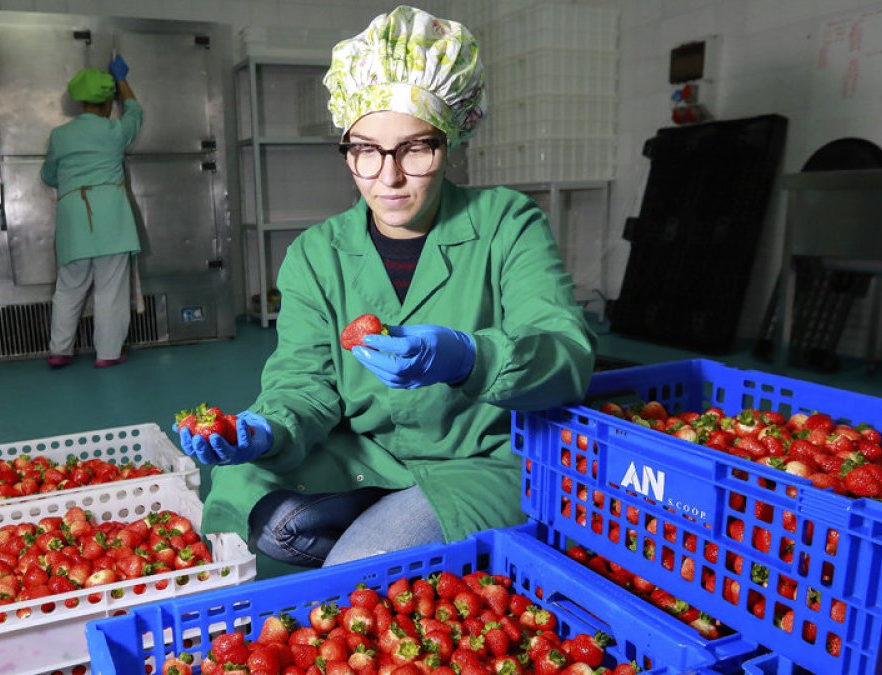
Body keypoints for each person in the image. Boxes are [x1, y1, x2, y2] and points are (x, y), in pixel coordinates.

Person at [176, 5, 596, 567]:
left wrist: (470, 357)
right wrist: (266, 429)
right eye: (366, 150)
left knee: (358, 569)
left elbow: (568, 356)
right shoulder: (317, 254)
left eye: (416, 148)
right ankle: (412, 538)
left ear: (450, 140)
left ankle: (413, 542)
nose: (390, 176)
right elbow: (304, 382)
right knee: (272, 523)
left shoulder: (507, 223)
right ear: (347, 149)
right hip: (368, 451)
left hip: (479, 460)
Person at [41, 55, 141, 369]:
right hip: (111, 218)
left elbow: (48, 176)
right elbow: (136, 111)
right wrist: (122, 80)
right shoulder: (115, 131)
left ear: (81, 101)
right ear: (109, 102)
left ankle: (60, 350)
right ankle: (108, 354)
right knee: (110, 290)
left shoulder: (60, 135)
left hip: (73, 220)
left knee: (68, 287)